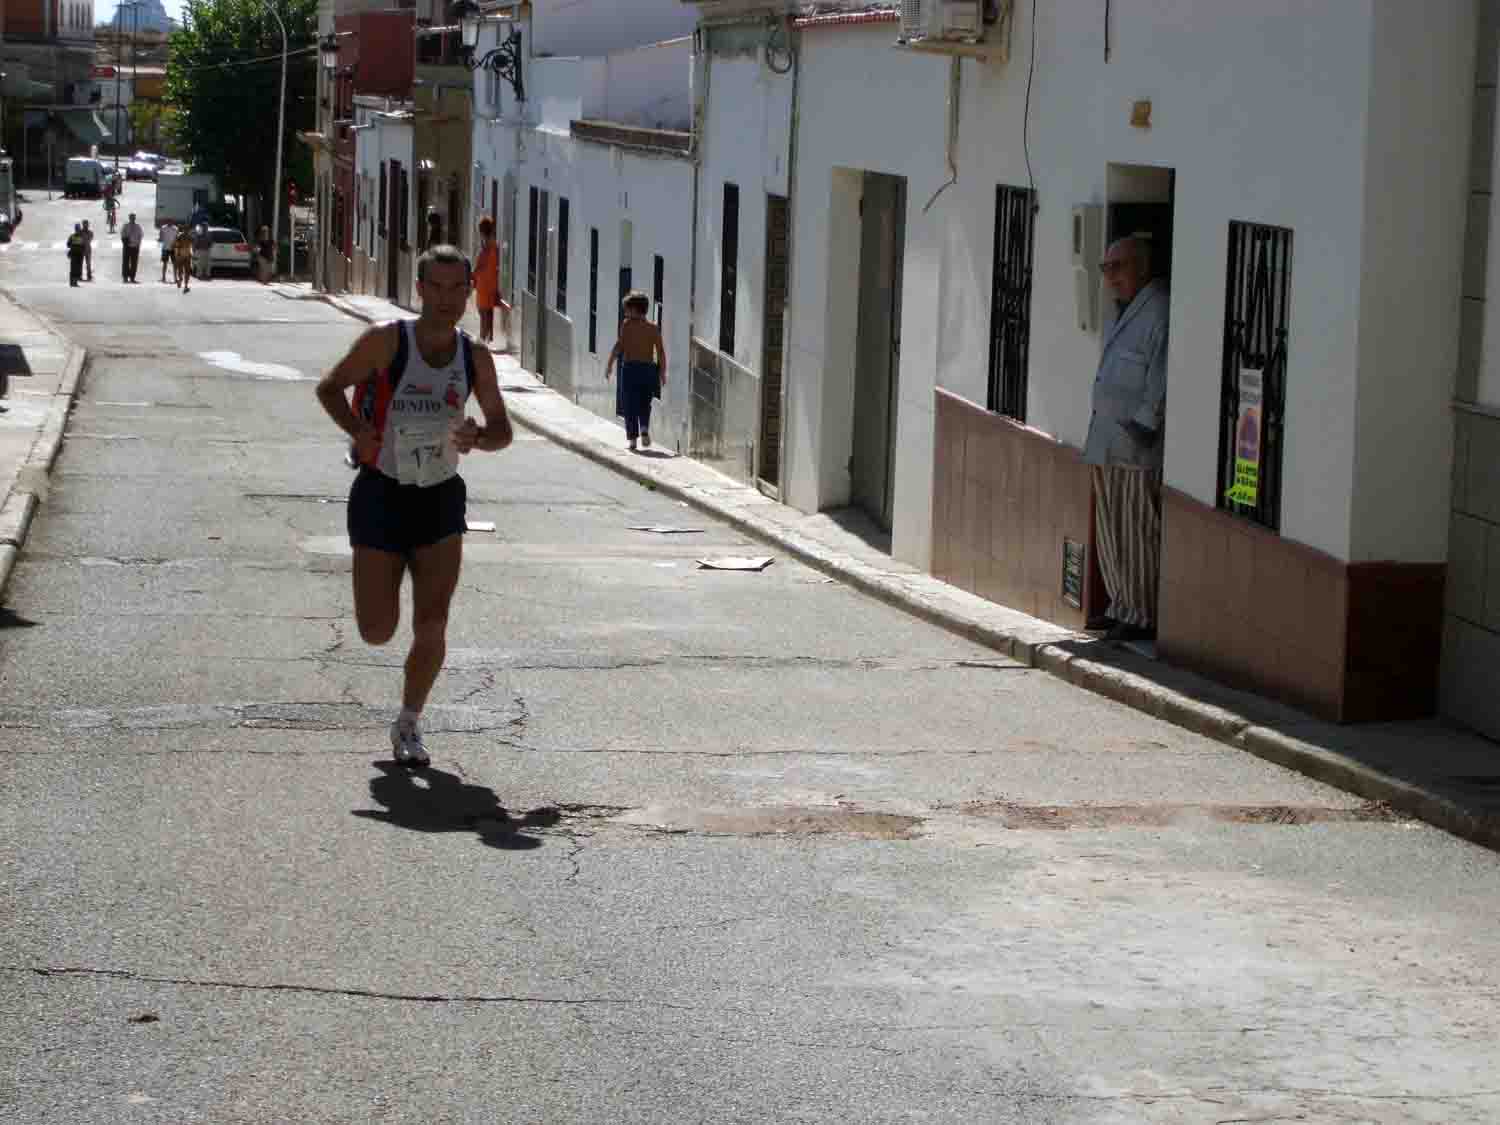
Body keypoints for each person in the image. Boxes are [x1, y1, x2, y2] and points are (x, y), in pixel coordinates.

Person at [314, 244, 514, 768]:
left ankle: (409, 721)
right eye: (437, 287)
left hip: (441, 497)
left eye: (458, 288)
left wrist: (477, 437)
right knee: (376, 630)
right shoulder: (386, 342)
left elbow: (501, 429)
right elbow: (330, 387)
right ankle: (382, 590)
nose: (448, 299)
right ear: (420, 289)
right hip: (382, 493)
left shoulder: (475, 358)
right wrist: (360, 432)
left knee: (433, 624)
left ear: (471, 292)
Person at [1082, 235, 1170, 643]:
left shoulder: (1159, 312)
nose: (1109, 277)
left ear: (1141, 267)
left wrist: (1143, 427)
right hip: (1107, 440)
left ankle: (1141, 613)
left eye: (1117, 267)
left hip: (1135, 445)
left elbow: (1159, 380)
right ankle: (1120, 604)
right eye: (1105, 269)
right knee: (1112, 527)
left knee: (1136, 530)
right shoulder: (1127, 311)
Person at [604, 291, 666, 452]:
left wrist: (610, 363)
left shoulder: (627, 325)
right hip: (648, 370)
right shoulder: (653, 328)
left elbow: (619, 346)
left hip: (630, 369)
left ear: (635, 309)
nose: (625, 311)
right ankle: (644, 427)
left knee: (629, 404)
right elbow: (660, 351)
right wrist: (662, 372)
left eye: (627, 308)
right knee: (645, 402)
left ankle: (632, 440)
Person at [473, 216, 500, 345]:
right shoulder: (494, 244)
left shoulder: (487, 245)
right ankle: (485, 337)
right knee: (486, 311)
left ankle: (482, 339)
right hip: (491, 282)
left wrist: (473, 274)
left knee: (483, 311)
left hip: (484, 282)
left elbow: (481, 263)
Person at [120, 212, 144, 283]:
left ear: (135, 218)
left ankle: (132, 277)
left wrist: (138, 244)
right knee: (125, 262)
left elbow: (141, 235)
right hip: (127, 246)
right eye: (131, 217)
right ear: (129, 218)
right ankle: (125, 277)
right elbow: (122, 235)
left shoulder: (138, 226)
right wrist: (125, 243)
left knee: (134, 263)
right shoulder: (125, 226)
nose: (132, 219)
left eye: (133, 218)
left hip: (135, 246)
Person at [173, 224, 195, 292]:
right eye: (186, 229)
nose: (186, 230)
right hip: (183, 255)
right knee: (184, 271)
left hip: (185, 255)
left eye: (187, 229)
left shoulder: (187, 236)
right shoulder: (181, 236)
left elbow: (193, 245)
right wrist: (178, 253)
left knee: (186, 271)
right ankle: (182, 282)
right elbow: (176, 245)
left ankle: (184, 283)